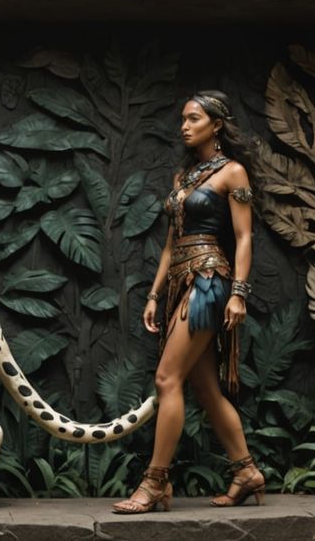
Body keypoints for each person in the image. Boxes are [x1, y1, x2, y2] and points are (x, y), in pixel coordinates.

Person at [111, 90, 263, 514]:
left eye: (194, 118)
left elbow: (245, 237)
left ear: (216, 125)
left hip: (210, 283)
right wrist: (156, 295)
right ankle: (246, 471)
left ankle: (155, 483)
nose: (185, 125)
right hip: (179, 281)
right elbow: (169, 245)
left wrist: (238, 294)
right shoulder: (184, 178)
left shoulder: (234, 173)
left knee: (166, 379)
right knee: (205, 388)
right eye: (183, 119)